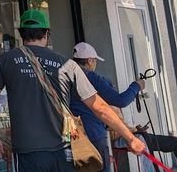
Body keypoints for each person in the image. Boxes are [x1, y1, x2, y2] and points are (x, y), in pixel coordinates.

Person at [0, 10, 146, 171]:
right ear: (47, 33)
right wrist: (130, 138)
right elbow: (100, 107)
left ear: (20, 33)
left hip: (28, 152)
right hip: (65, 150)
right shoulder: (68, 64)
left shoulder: (5, 61)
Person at [70, 42, 177, 170]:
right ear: (90, 61)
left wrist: (132, 130)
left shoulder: (68, 76)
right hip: (95, 133)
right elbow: (120, 101)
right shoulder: (92, 78)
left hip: (75, 135)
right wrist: (137, 86)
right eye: (95, 62)